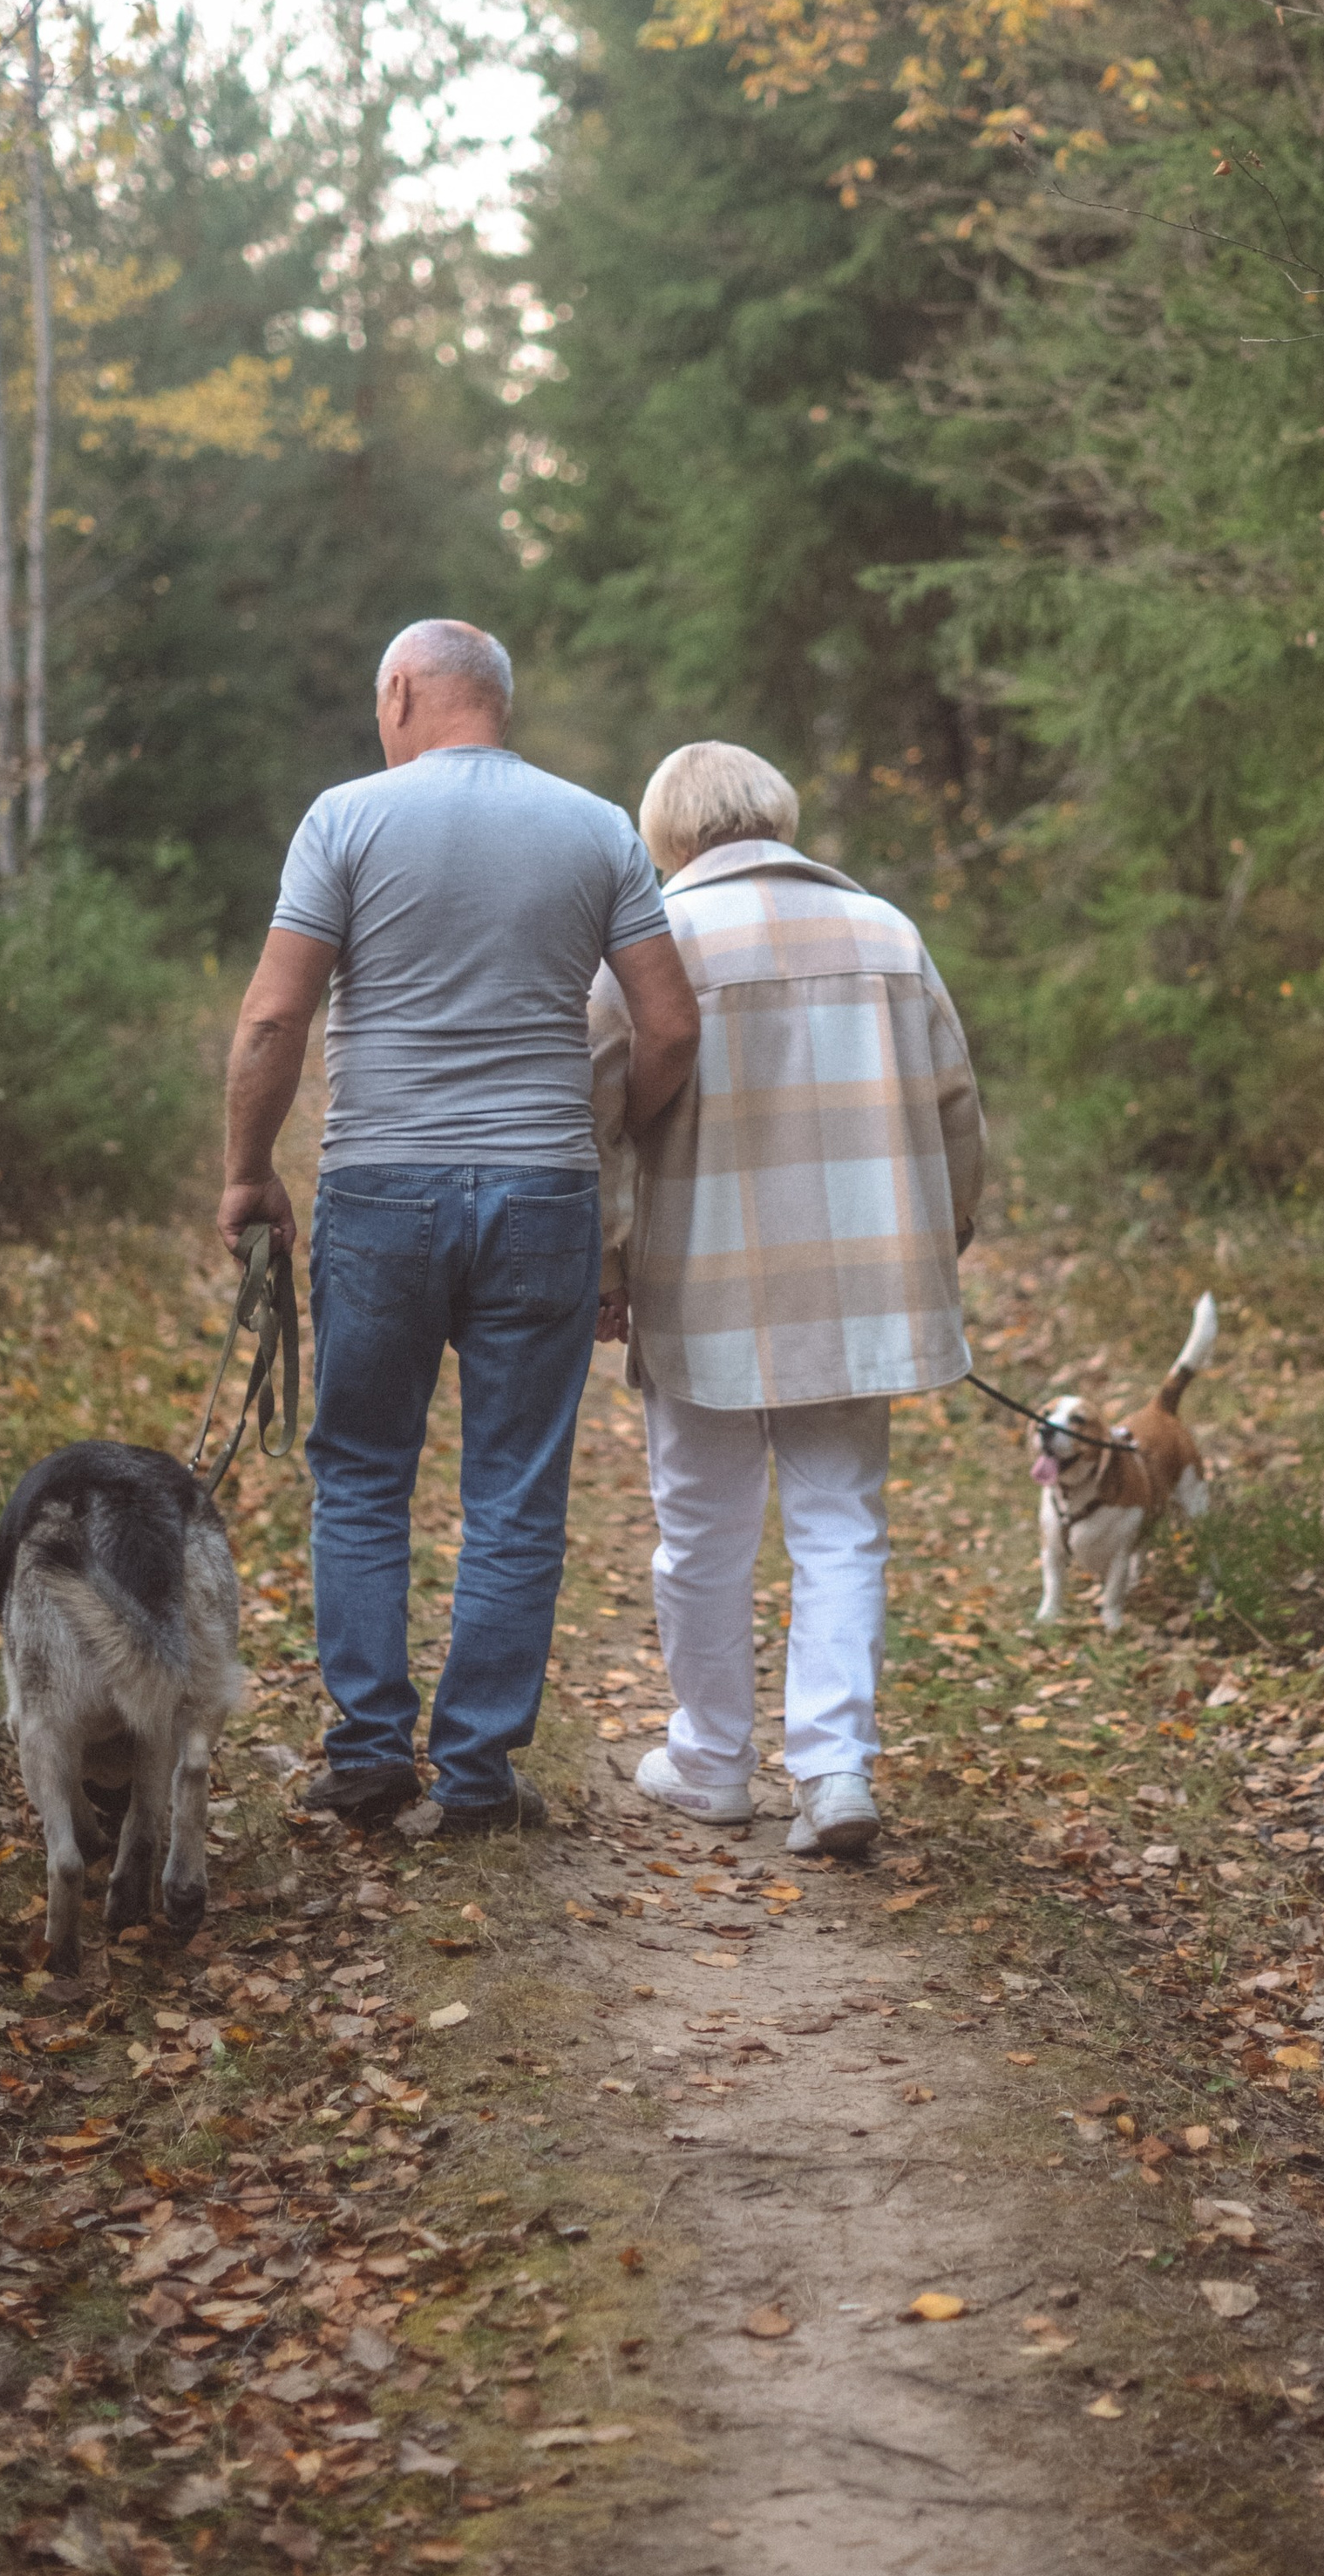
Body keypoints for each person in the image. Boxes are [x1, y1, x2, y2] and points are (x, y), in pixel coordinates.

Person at [220, 620, 700, 1837]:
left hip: (379, 1188)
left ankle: (369, 1755)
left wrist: (247, 1173)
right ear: (498, 699)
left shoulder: (344, 818)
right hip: (543, 1193)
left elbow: (274, 1018)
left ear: (400, 692)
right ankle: (478, 1776)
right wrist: (608, 1138)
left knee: (362, 1473)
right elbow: (670, 1028)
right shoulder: (597, 825)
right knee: (515, 1491)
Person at [591, 742, 984, 1859]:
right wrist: (941, 1239)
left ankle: (711, 1763)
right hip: (860, 1283)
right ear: (779, 816)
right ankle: (835, 1769)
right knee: (842, 1524)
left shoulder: (647, 948)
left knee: (700, 1533)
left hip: (701, 1278)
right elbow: (956, 1106)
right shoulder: (887, 933)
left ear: (666, 836)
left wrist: (606, 1265)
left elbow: (594, 1113)